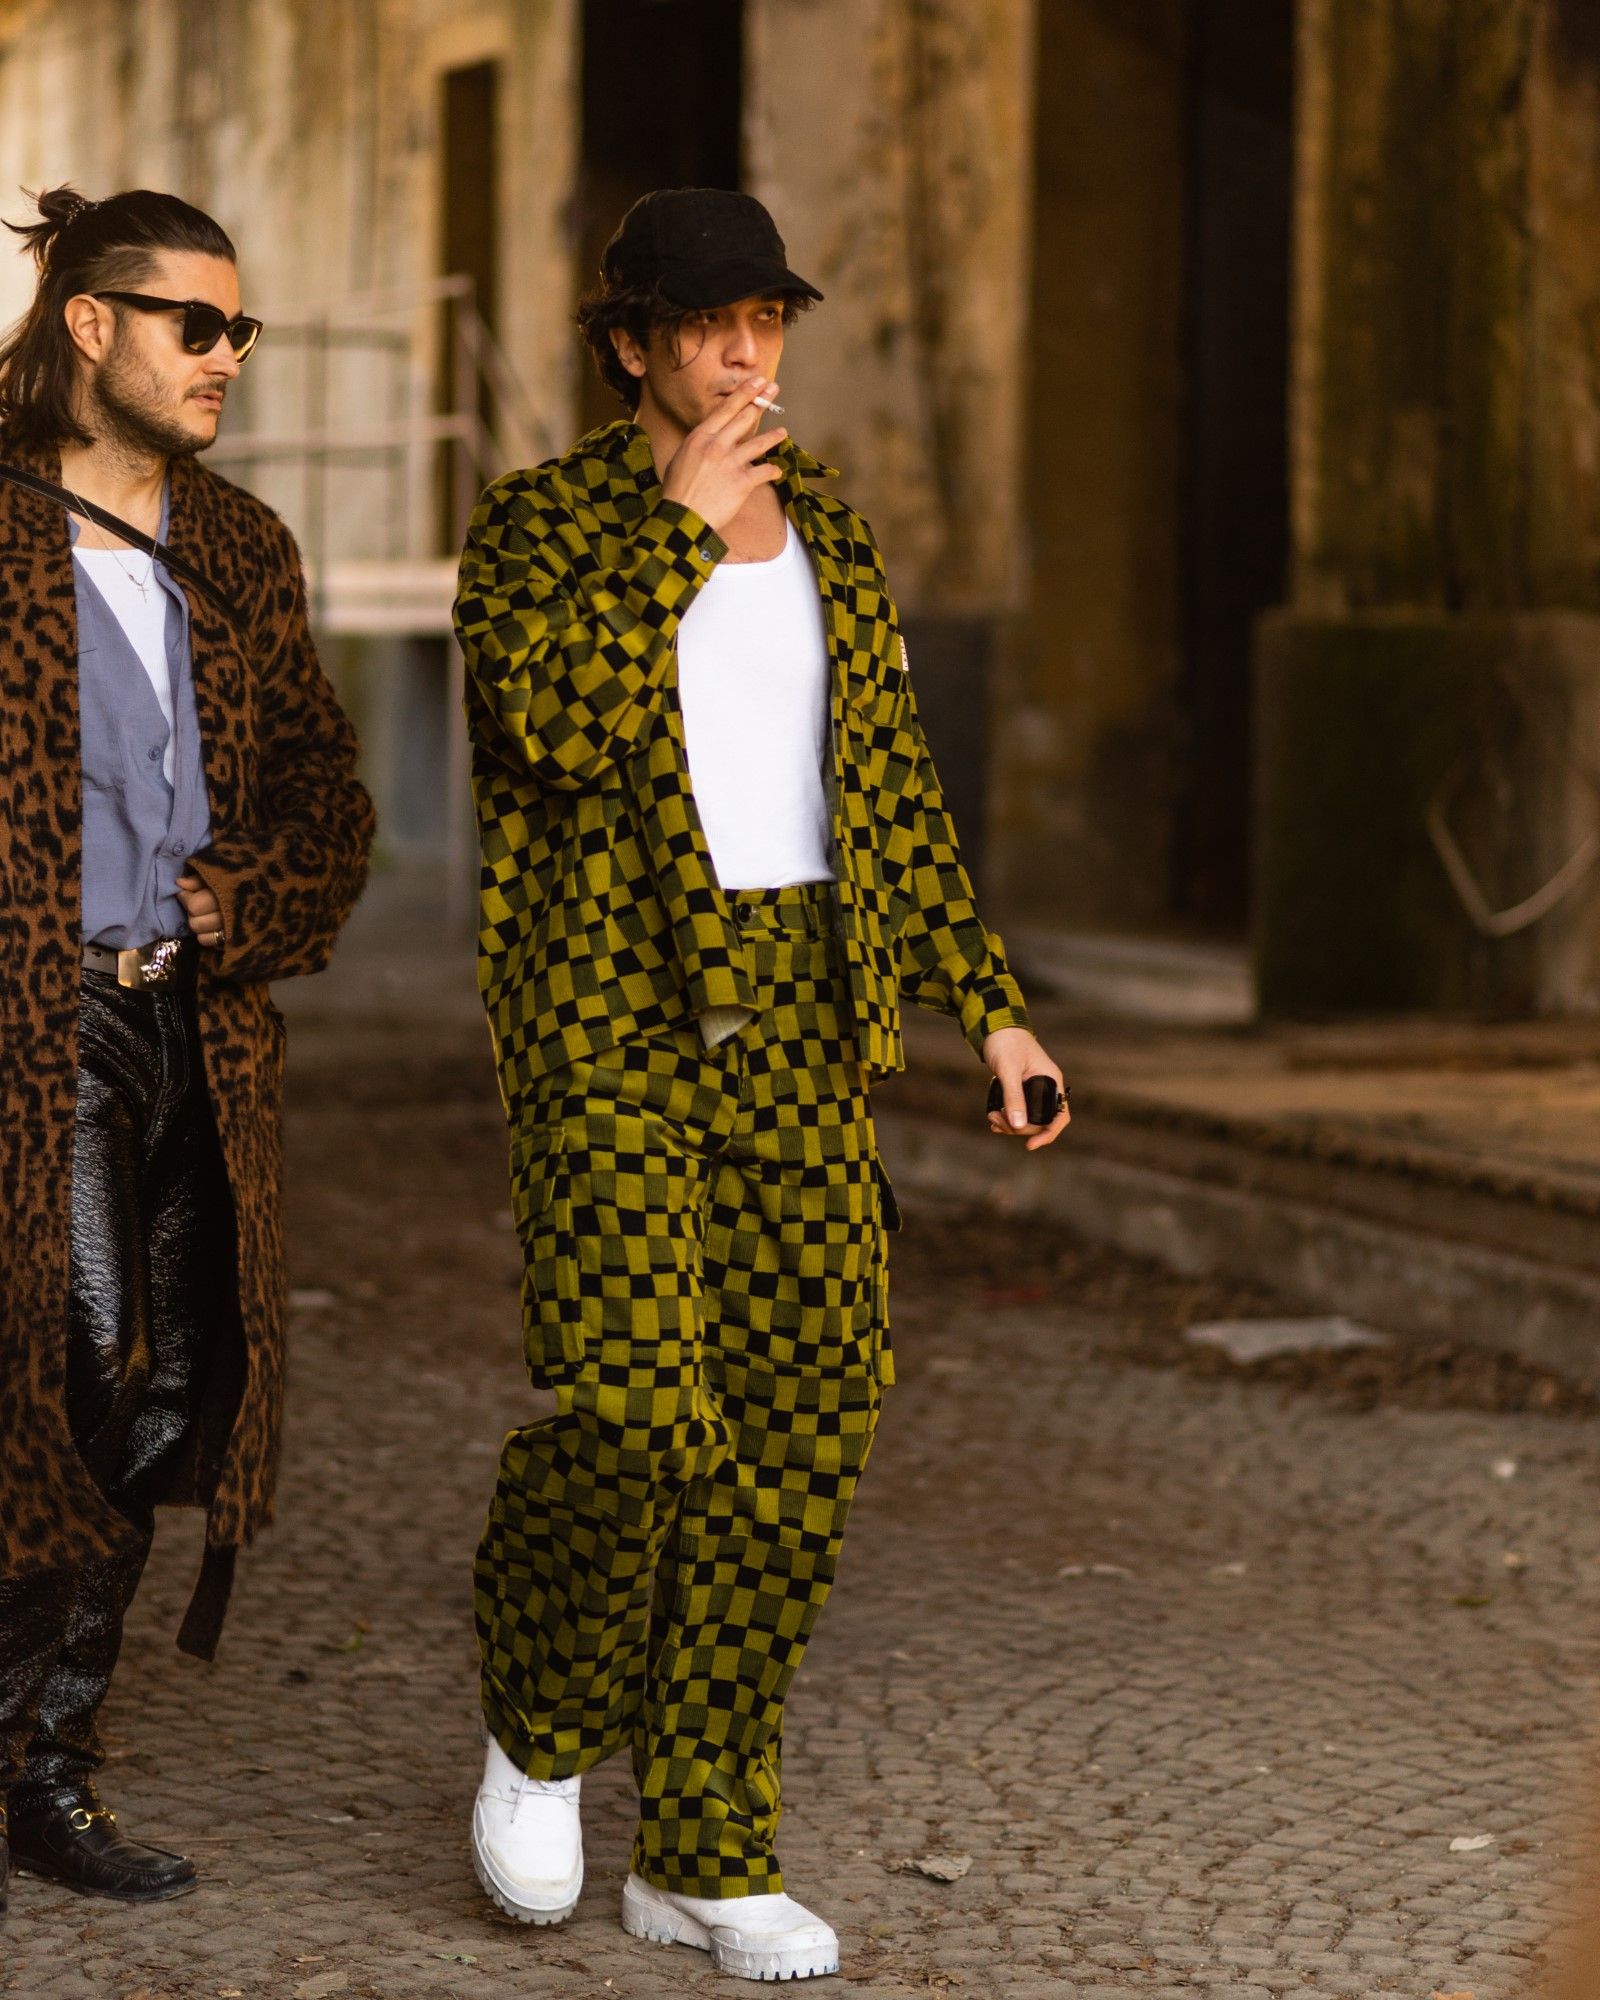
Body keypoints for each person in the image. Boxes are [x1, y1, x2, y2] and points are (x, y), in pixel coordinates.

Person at [454, 186, 1068, 1982]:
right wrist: (675, 530)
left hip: (807, 1017)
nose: (743, 355)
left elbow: (890, 795)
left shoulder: (839, 543)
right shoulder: (543, 525)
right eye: (708, 325)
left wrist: (993, 1008)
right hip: (611, 1019)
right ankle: (542, 1724)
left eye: (766, 323)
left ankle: (704, 1847)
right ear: (630, 345)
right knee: (639, 1411)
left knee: (805, 1426)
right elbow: (547, 729)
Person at [0, 186, 373, 1915]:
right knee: (79, 1366)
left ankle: (45, 1760)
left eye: (242, 329)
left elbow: (328, 794)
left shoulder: (240, 548)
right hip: (33, 1029)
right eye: (194, 325)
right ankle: (27, 1754)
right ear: (91, 325)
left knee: (162, 1406)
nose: (228, 355)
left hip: (194, 1031)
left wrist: (258, 894)